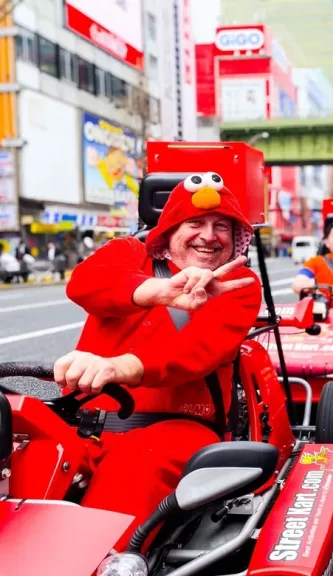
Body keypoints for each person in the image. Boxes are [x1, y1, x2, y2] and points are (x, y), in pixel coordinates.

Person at [55, 172, 262, 551]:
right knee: (26, 456)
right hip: (82, 423)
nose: (208, 235)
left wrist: (118, 367)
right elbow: (84, 284)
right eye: (195, 223)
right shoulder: (128, 254)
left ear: (236, 238)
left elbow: (193, 355)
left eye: (222, 226)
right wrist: (158, 291)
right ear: (170, 230)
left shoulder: (240, 283)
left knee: (130, 475)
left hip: (176, 429)